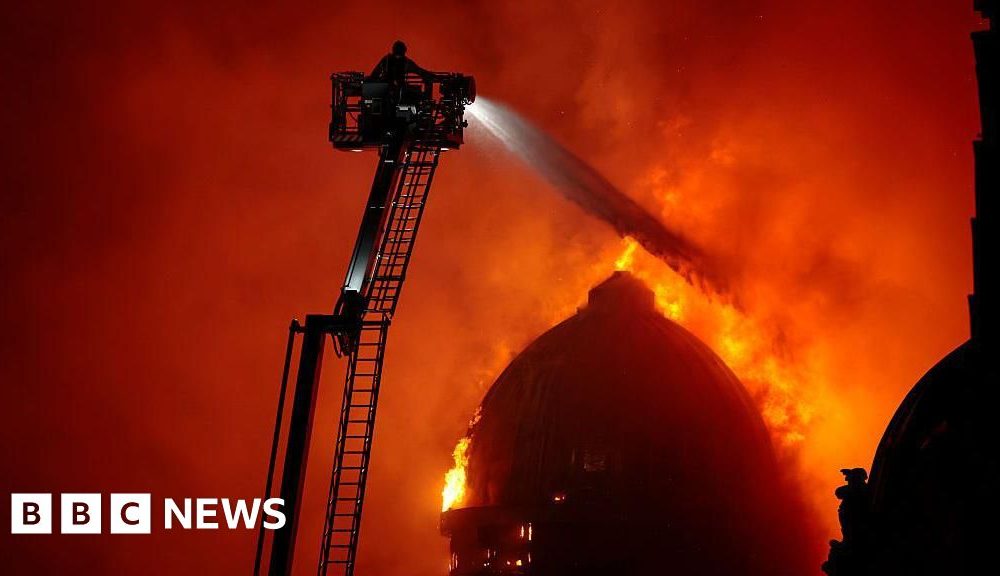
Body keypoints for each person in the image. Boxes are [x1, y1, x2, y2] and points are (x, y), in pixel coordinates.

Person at [368, 40, 437, 92]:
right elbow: (420, 71)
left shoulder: (387, 60)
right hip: (390, 90)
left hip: (394, 90)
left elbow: (374, 74)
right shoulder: (402, 62)